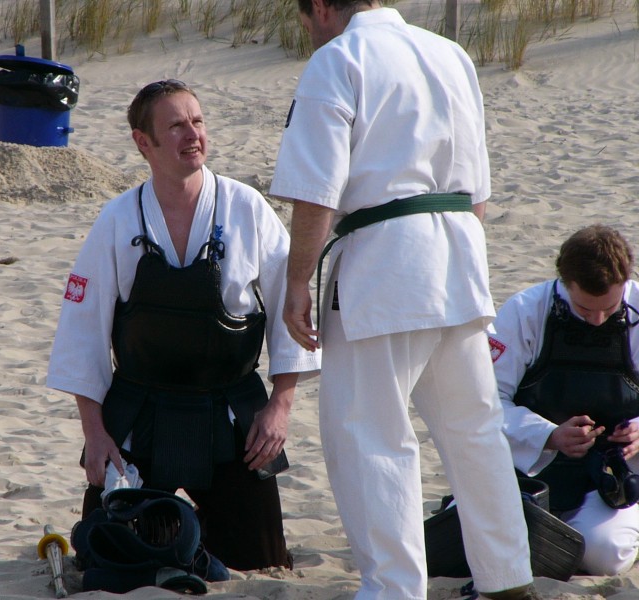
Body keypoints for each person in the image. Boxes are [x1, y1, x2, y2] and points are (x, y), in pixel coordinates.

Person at [268, 1, 536, 599]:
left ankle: (393, 589)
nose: (310, 33)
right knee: (474, 430)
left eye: (306, 22)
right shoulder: (451, 54)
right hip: (459, 259)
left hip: (383, 263)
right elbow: (479, 194)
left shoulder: (339, 59)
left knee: (370, 436)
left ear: (320, 7)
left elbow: (316, 192)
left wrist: (297, 282)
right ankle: (509, 581)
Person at [47, 79, 320, 571]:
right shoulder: (117, 219)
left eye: (197, 121)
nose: (193, 134)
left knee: (260, 560)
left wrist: (280, 405)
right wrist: (96, 434)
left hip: (231, 415)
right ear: (143, 142)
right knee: (108, 557)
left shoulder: (245, 207)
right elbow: (81, 332)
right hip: (140, 416)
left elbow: (292, 308)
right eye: (176, 125)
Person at [488, 224, 639, 576]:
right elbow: (486, 401)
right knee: (487, 545)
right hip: (533, 465)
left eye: (609, 308)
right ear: (564, 282)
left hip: (617, 472)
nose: (598, 321)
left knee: (605, 555)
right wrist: (548, 435)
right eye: (585, 310)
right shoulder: (525, 311)